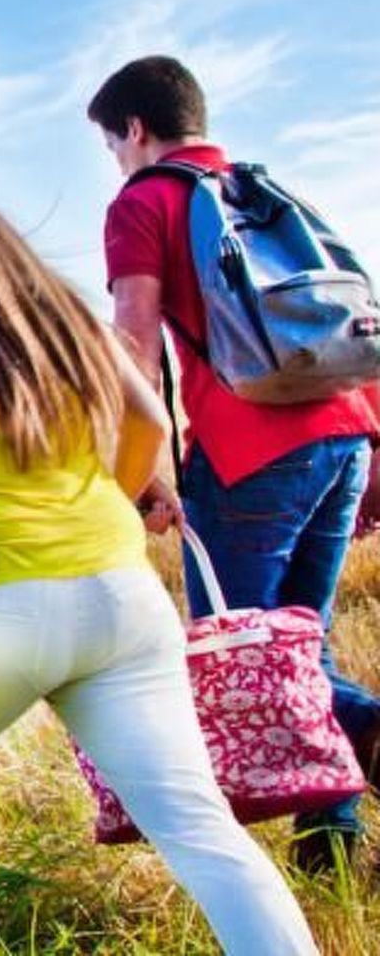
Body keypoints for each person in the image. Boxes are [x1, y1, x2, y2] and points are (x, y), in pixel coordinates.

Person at [0, 152, 318, 956]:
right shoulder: (59, 315)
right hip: (120, 599)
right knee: (199, 826)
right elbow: (151, 427)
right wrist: (123, 498)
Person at [89, 55, 380, 868]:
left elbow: (133, 347)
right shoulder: (264, 190)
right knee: (303, 639)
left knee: (246, 654)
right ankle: (332, 844)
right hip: (345, 436)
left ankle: (366, 729)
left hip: (249, 453)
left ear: (135, 131)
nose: (115, 160)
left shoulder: (142, 201)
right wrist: (372, 445)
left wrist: (135, 468)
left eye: (112, 145)